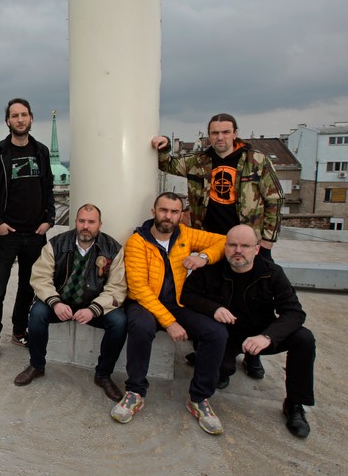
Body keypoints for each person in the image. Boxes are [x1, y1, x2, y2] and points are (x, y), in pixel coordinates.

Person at [151, 113, 284, 379]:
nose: (220, 137)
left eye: (225, 132)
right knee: (212, 297)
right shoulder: (199, 161)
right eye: (215, 133)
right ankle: (210, 348)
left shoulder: (255, 160)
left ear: (235, 133)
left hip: (245, 244)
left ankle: (253, 354)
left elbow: (275, 199)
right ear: (208, 135)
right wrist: (163, 145)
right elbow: (168, 164)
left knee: (253, 300)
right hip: (210, 243)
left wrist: (268, 239)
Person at [181, 224, 315, 438]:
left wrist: (268, 336)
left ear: (257, 249)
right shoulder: (211, 270)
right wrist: (213, 308)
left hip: (259, 334)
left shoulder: (272, 273)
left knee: (304, 338)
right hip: (226, 336)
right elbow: (187, 295)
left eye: (245, 246)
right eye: (232, 245)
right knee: (220, 376)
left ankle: (294, 404)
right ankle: (220, 364)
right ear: (225, 247)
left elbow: (294, 312)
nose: (238, 251)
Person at [111, 192, 228, 435]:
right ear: (153, 212)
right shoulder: (137, 241)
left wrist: (203, 257)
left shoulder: (185, 235)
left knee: (216, 333)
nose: (168, 216)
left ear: (181, 215)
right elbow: (139, 288)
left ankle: (199, 398)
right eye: (164, 210)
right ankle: (135, 392)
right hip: (144, 303)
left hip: (177, 302)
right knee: (141, 327)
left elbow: (224, 241)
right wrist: (170, 323)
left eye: (174, 212)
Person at [13, 204, 127, 401]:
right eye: (81, 221)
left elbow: (117, 287)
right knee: (37, 313)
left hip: (93, 306)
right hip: (61, 303)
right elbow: (40, 277)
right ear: (75, 221)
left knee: (119, 322)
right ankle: (37, 365)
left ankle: (103, 375)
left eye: (91, 222)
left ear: (100, 224)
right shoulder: (56, 244)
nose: (85, 226)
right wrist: (55, 303)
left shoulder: (112, 249)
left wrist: (94, 309)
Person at [0, 98, 55, 363]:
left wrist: (50, 219)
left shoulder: (41, 151)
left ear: (31, 118)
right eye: (15, 116)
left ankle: (19, 331)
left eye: (24, 115)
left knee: (27, 288)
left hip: (34, 234)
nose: (20, 120)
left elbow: (48, 189)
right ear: (7, 121)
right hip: (6, 235)